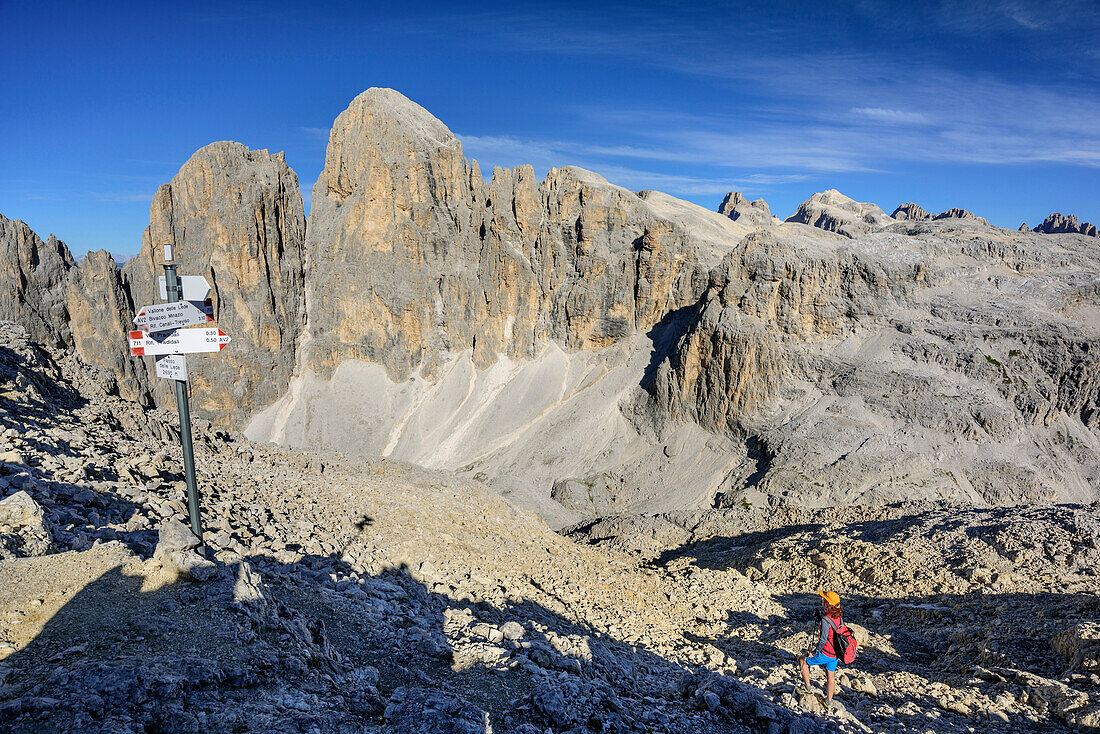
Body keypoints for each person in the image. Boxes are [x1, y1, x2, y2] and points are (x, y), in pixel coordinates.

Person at [797, 590, 843, 705]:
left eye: (825, 599)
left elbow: (823, 639)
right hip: (835, 654)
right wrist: (820, 619)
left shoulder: (825, 620)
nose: (822, 600)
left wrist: (814, 652)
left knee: (802, 660)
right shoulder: (839, 617)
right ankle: (829, 701)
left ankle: (807, 687)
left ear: (829, 603)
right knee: (830, 675)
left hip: (826, 653)